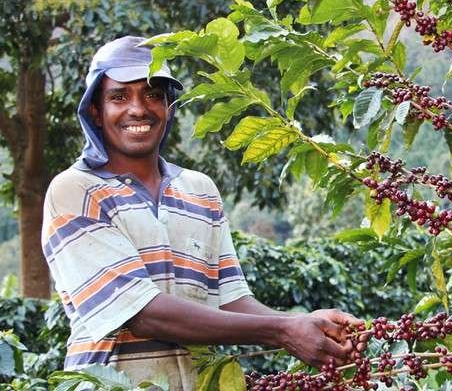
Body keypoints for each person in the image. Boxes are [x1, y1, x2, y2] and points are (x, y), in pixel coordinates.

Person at [41, 36, 361, 389]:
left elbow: (231, 300)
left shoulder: (200, 189)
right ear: (95, 112)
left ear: (169, 106)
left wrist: (308, 325)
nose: (138, 109)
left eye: (153, 94)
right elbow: (142, 314)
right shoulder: (75, 191)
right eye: (119, 97)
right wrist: (285, 331)